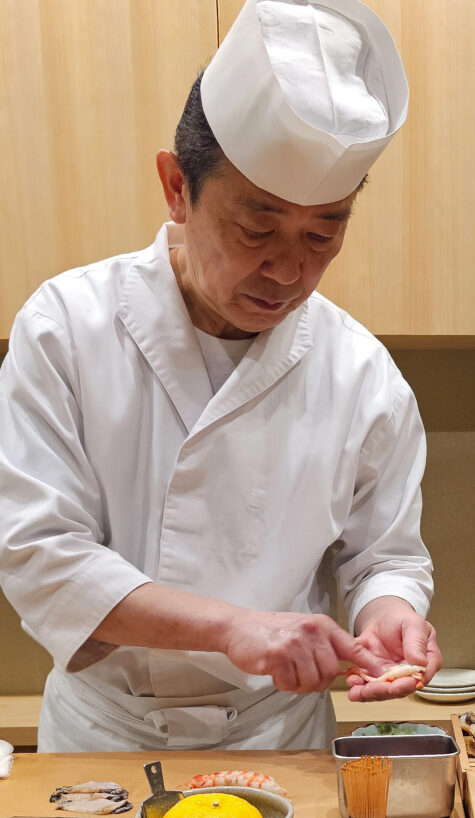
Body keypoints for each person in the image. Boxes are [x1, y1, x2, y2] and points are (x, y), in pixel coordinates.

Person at [0, 0, 441, 752]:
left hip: (280, 739)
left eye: (323, 231)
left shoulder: (359, 370)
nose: (289, 269)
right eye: (256, 227)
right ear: (177, 188)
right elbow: (41, 555)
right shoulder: (65, 327)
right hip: (106, 736)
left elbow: (385, 554)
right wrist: (235, 628)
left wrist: (389, 613)